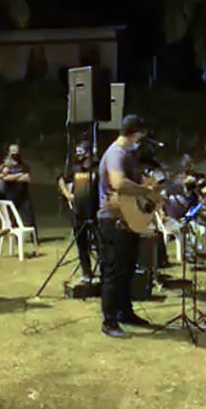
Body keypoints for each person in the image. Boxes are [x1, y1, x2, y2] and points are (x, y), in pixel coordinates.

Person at [96, 115, 164, 339]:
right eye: (141, 135)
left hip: (127, 219)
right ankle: (109, 321)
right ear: (136, 132)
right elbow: (118, 183)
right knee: (114, 271)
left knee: (126, 269)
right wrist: (145, 192)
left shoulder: (128, 154)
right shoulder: (116, 153)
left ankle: (125, 312)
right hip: (113, 219)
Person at [58, 140, 98, 281]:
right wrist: (68, 194)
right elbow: (61, 180)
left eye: (81, 152)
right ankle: (86, 273)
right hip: (78, 212)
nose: (78, 155)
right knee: (82, 246)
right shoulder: (75, 169)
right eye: (77, 152)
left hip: (95, 213)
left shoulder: (97, 169)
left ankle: (104, 272)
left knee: (100, 246)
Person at [0, 143, 37, 237]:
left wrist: (12, 177)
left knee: (30, 217)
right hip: (11, 196)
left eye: (17, 152)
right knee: (12, 218)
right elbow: (3, 178)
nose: (15, 155)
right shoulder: (5, 166)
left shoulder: (24, 165)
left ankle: (35, 238)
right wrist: (19, 175)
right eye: (13, 153)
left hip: (24, 196)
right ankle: (14, 238)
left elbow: (27, 178)